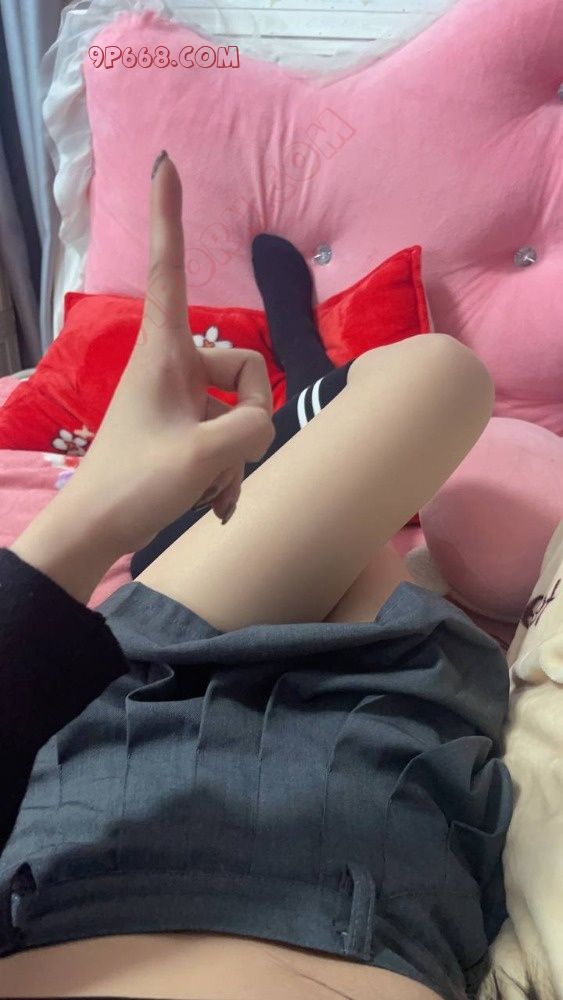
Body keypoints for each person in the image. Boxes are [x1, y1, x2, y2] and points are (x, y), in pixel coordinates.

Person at [0, 153, 512, 1000]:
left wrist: (88, 523)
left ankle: (289, 393)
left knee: (438, 376)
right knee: (376, 537)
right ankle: (299, 388)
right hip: (365, 802)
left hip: (119, 762)